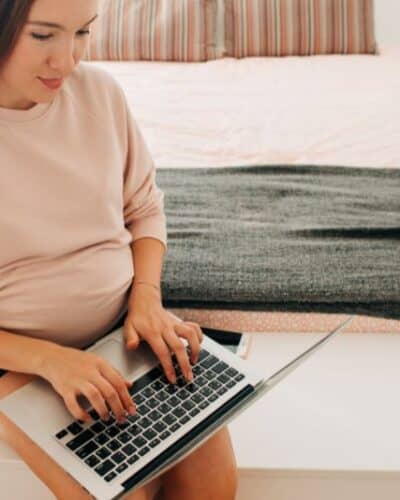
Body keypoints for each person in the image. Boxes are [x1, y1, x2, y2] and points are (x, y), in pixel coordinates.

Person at [0, 0, 239, 498]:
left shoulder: (99, 94)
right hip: (16, 360)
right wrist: (50, 360)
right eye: (43, 36)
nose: (66, 61)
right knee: (118, 492)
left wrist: (146, 300)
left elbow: (145, 208)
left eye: (82, 33)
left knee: (213, 487)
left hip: (121, 336)